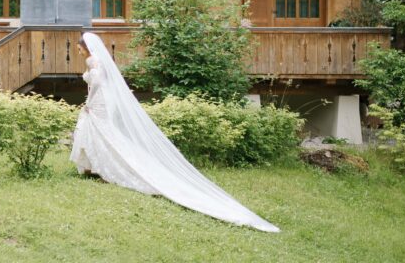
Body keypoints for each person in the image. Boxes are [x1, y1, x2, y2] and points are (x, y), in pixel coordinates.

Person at [70, 31, 279, 233]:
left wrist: (89, 102)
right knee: (103, 134)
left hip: (99, 102)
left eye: (79, 48)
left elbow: (97, 83)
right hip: (105, 101)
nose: (78, 51)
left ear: (86, 47)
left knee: (106, 136)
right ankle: (94, 167)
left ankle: (106, 168)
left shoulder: (93, 60)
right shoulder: (99, 60)